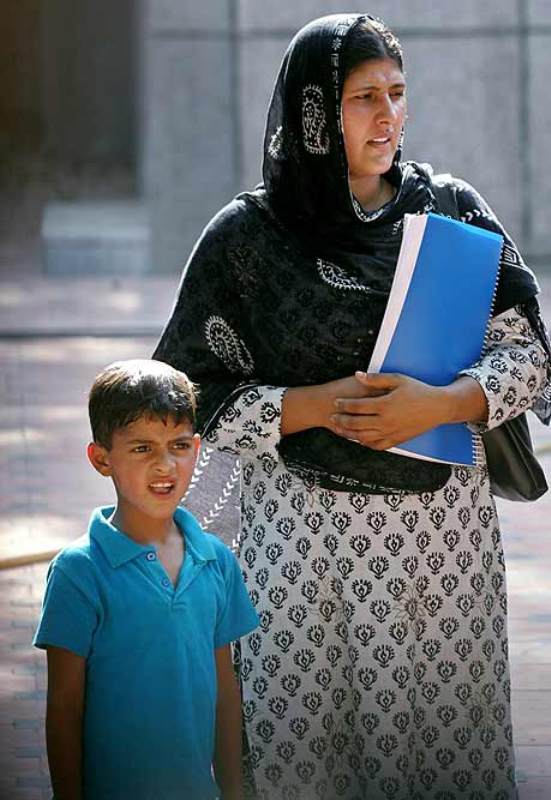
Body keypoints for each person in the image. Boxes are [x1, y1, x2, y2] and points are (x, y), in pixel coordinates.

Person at [153, 14, 551, 800]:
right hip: (300, 550)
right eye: (363, 96)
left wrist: (443, 401)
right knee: (305, 755)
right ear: (312, 113)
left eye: (397, 94)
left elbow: (529, 355)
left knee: (440, 754)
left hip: (441, 551)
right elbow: (185, 398)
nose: (387, 115)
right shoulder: (246, 238)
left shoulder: (450, 212)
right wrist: (312, 407)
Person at [33, 359, 259, 800]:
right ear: (101, 458)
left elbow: (225, 696)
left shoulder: (215, 561)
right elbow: (63, 709)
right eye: (141, 448)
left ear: (196, 448)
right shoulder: (78, 571)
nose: (165, 466)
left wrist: (233, 793)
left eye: (178, 446)